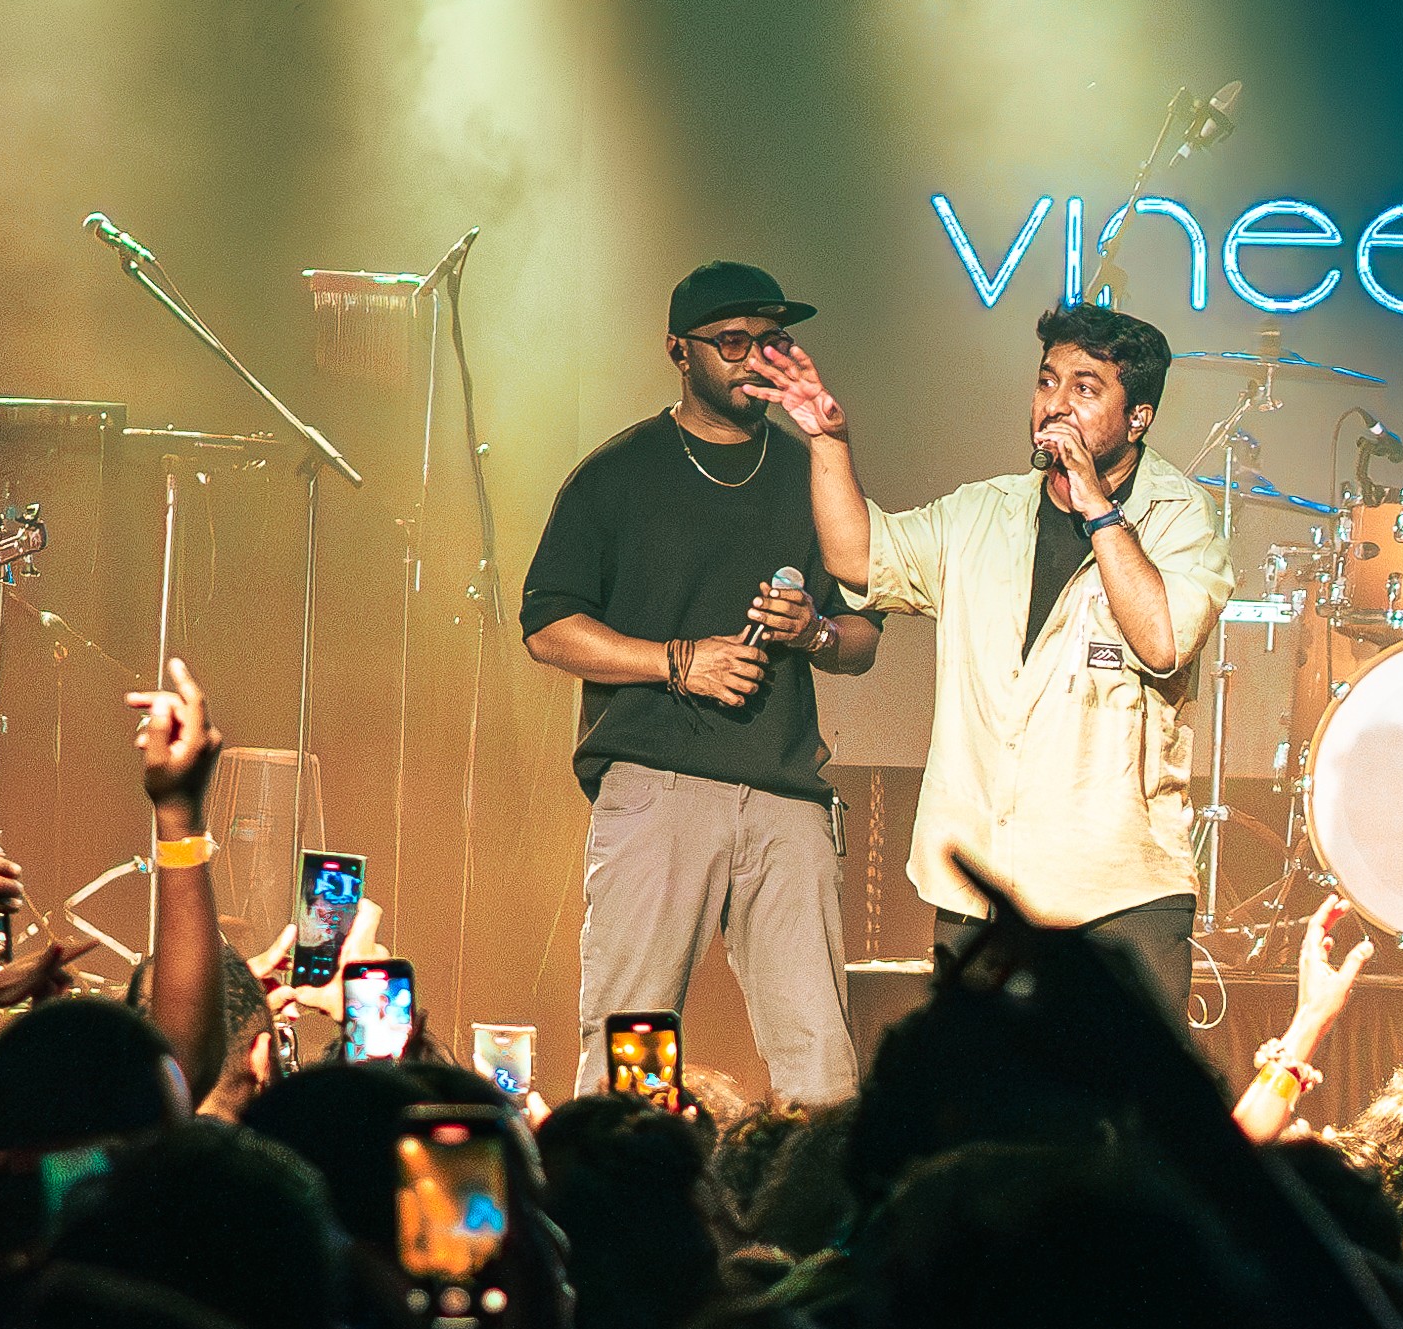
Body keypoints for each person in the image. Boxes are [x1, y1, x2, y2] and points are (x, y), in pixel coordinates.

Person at [772, 300, 1235, 1013]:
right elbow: (858, 557)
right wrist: (828, 442)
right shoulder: (982, 513)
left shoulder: (1178, 517)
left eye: (1084, 389)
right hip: (982, 890)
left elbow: (1162, 641)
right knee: (983, 1115)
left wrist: (1099, 509)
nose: (1055, 406)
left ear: (1137, 415)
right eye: (1047, 382)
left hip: (1119, 892)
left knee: (1126, 1117)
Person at [520, 262, 883, 1103]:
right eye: (732, 343)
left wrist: (816, 630)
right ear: (678, 352)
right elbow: (547, 626)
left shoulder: (807, 474)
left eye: (771, 341)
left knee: (821, 1061)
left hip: (785, 791)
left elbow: (863, 637)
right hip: (655, 783)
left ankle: (813, 1223)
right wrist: (681, 661)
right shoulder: (617, 474)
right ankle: (614, 1212)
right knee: (631, 1051)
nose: (754, 359)